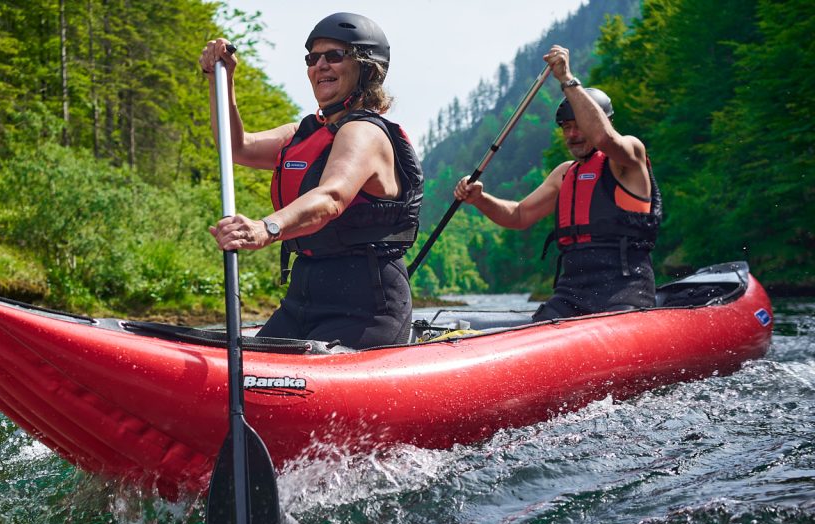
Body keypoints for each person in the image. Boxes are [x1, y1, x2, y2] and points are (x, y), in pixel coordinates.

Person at [199, 12, 423, 349]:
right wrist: (221, 80)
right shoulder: (302, 133)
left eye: (334, 56)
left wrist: (267, 228)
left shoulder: (365, 132)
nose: (320, 66)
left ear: (366, 69)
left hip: (366, 305)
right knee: (255, 375)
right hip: (303, 295)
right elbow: (236, 147)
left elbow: (332, 197)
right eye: (312, 58)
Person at [454, 45, 662, 322]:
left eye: (579, 125)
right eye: (567, 127)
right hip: (571, 294)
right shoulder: (565, 174)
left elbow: (604, 139)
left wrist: (566, 79)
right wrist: (479, 198)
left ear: (601, 121)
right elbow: (518, 215)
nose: (573, 134)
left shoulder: (629, 157)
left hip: (624, 291)